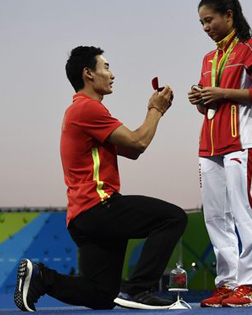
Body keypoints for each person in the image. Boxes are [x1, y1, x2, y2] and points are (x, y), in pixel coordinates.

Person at [14, 46, 187, 311]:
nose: (112, 74)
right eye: (106, 67)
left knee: (101, 295)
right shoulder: (87, 110)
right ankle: (139, 289)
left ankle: (41, 278)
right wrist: (156, 109)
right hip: (100, 206)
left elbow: (131, 151)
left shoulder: (80, 112)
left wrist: (153, 112)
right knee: (173, 218)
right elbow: (139, 142)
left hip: (83, 216)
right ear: (88, 74)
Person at [187, 0, 252, 307]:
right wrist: (201, 99)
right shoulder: (208, 59)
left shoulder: (251, 48)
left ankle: (250, 286)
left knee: (243, 211)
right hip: (209, 143)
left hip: (242, 141)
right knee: (215, 216)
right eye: (201, 22)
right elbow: (212, 105)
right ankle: (227, 283)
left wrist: (222, 92)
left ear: (228, 16)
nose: (205, 27)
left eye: (209, 20)